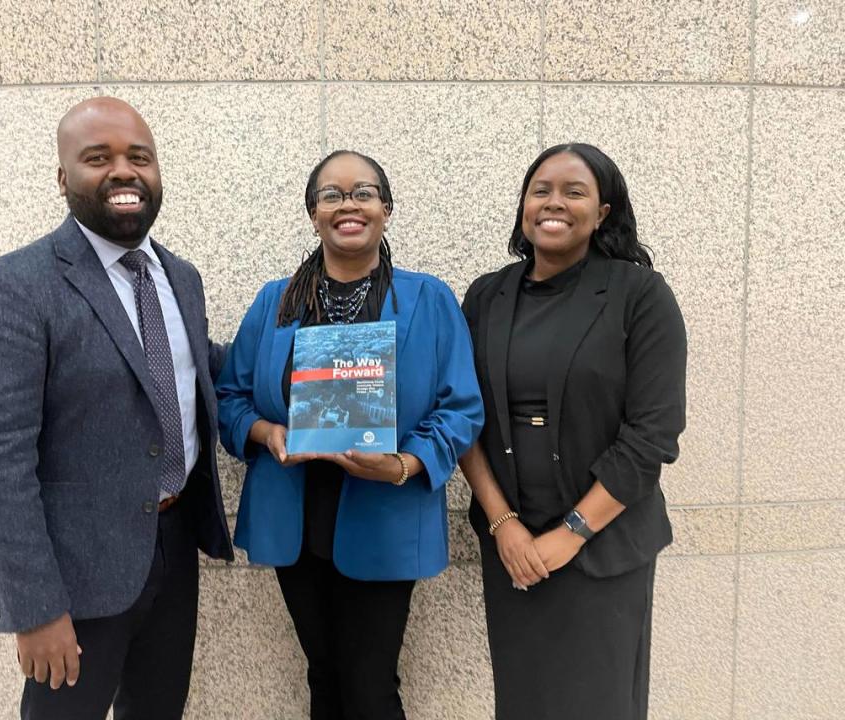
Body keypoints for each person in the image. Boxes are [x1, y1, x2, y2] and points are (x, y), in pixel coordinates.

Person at [0, 97, 232, 720]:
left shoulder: (180, 276)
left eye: (139, 157)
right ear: (63, 178)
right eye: (97, 158)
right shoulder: (15, 285)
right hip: (71, 576)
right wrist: (35, 607)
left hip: (173, 544)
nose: (123, 172)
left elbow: (200, 367)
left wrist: (319, 364)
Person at [216, 150, 484, 719]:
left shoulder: (428, 298)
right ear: (314, 214)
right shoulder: (274, 302)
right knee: (323, 676)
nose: (348, 204)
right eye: (331, 195)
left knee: (369, 688)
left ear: (386, 209)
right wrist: (267, 433)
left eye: (363, 192)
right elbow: (231, 399)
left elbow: (460, 408)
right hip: (295, 518)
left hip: (385, 514)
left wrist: (406, 464)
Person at [459, 143, 687, 719]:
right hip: (512, 549)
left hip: (603, 550)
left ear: (604, 211)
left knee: (597, 705)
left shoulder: (641, 296)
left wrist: (571, 533)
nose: (553, 203)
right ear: (523, 206)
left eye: (574, 191)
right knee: (524, 703)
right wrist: (503, 523)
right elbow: (464, 416)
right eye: (541, 191)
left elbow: (652, 436)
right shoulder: (488, 295)